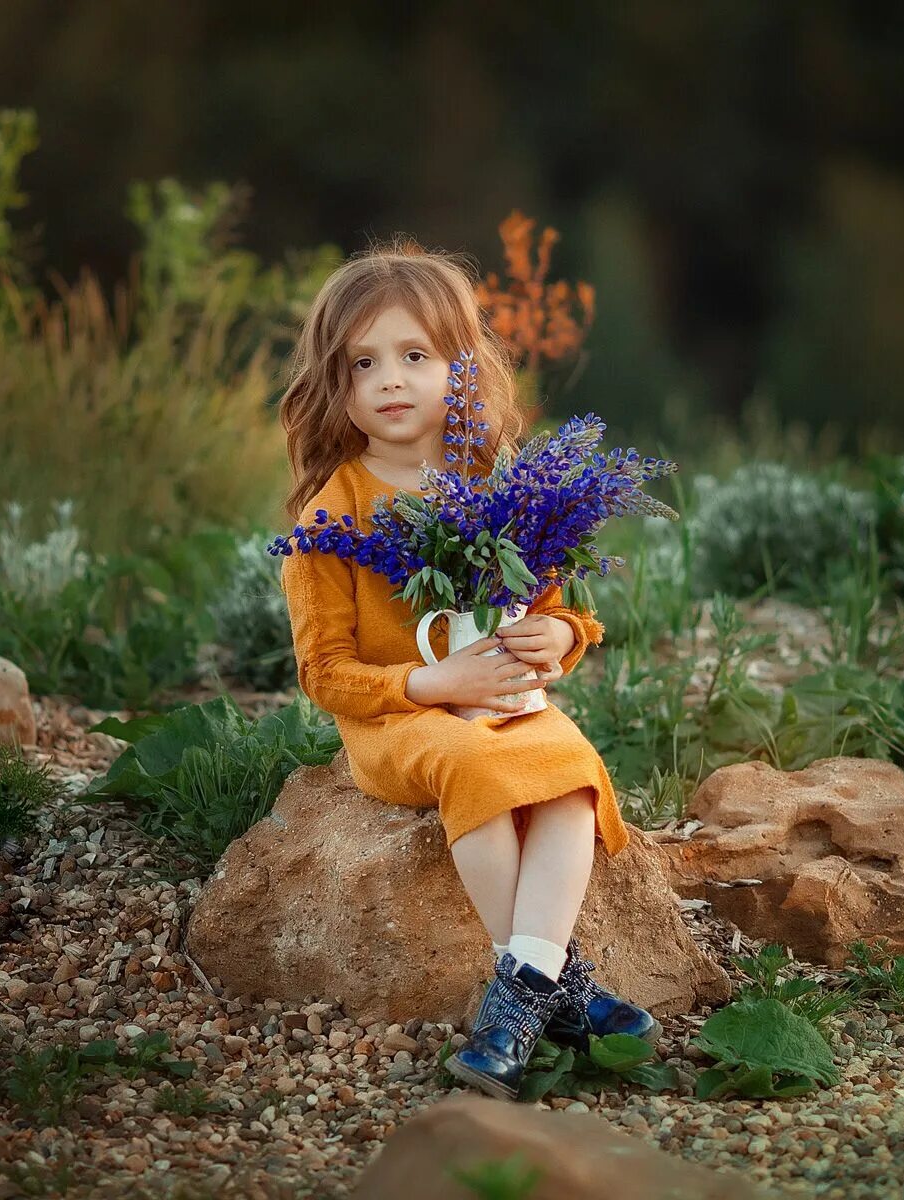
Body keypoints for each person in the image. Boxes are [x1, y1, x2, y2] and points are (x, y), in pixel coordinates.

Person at [275, 236, 661, 1101]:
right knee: (478, 765)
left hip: (509, 703)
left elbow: (561, 607)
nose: (390, 379)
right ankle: (553, 989)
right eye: (362, 363)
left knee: (566, 774)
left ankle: (522, 986)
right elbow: (324, 672)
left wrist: (558, 641)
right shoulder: (331, 517)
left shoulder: (500, 485)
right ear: (334, 387)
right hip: (399, 722)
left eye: (416, 355)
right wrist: (429, 687)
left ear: (462, 366)